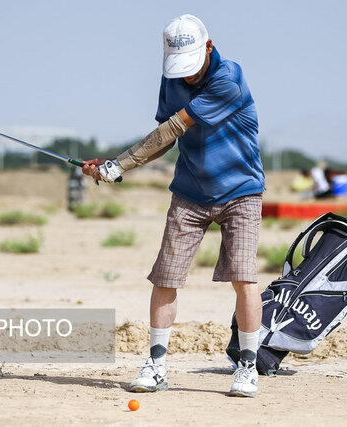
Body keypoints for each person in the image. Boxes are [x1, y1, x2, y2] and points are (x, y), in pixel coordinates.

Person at [82, 14, 266, 398]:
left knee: (244, 278)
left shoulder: (228, 78)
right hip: (190, 191)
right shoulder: (172, 80)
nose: (185, 77)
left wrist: (121, 163)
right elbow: (164, 138)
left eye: (190, 66)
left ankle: (248, 368)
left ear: (209, 47)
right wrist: (115, 167)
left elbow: (174, 127)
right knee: (165, 278)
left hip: (241, 191)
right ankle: (156, 366)